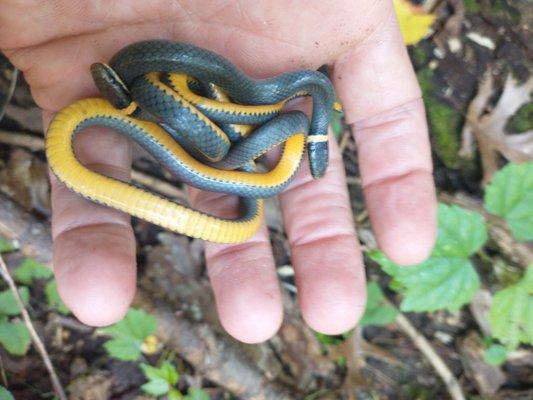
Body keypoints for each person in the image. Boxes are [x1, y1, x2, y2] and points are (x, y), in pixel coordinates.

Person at [0, 0, 437, 343]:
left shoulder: (298, 114)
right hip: (186, 99)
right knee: (231, 149)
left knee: (236, 160)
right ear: (313, 141)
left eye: (311, 151)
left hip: (223, 117)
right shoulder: (296, 108)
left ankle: (198, 139)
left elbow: (282, 126)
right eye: (311, 151)